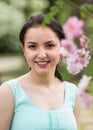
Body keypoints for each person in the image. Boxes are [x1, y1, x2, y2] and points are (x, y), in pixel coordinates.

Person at [0, 14, 80, 130]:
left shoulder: (73, 93)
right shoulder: (8, 92)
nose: (42, 55)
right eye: (32, 46)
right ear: (24, 49)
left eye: (49, 45)